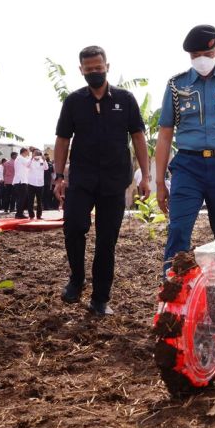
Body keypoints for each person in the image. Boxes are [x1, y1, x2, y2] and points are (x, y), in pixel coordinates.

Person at [53, 45, 150, 316]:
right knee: (74, 227)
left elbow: (138, 138)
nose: (94, 72)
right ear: (81, 70)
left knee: (107, 241)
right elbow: (62, 140)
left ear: (107, 66)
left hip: (114, 181)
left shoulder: (125, 99)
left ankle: (100, 298)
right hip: (82, 180)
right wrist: (59, 176)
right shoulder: (73, 102)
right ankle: (76, 279)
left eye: (98, 67)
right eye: (89, 69)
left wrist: (146, 175)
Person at [155, 24, 215, 275]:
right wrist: (159, 182)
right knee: (178, 230)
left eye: (207, 55)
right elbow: (165, 134)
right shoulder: (176, 86)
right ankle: (173, 293)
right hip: (187, 166)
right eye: (195, 55)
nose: (201, 60)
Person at [26, 149, 46, 219]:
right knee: (30, 200)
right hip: (31, 183)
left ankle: (39, 215)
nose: (36, 156)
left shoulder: (42, 161)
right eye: (35, 154)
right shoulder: (30, 161)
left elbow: (46, 168)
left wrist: (44, 160)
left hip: (40, 184)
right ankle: (31, 215)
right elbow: (27, 165)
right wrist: (31, 158)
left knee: (39, 200)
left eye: (38, 154)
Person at [13, 147, 31, 219]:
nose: (29, 153)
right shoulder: (20, 158)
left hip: (21, 181)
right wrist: (31, 157)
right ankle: (19, 214)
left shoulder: (21, 158)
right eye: (28, 151)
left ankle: (20, 213)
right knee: (21, 198)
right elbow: (28, 164)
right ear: (25, 151)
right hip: (20, 181)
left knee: (23, 198)